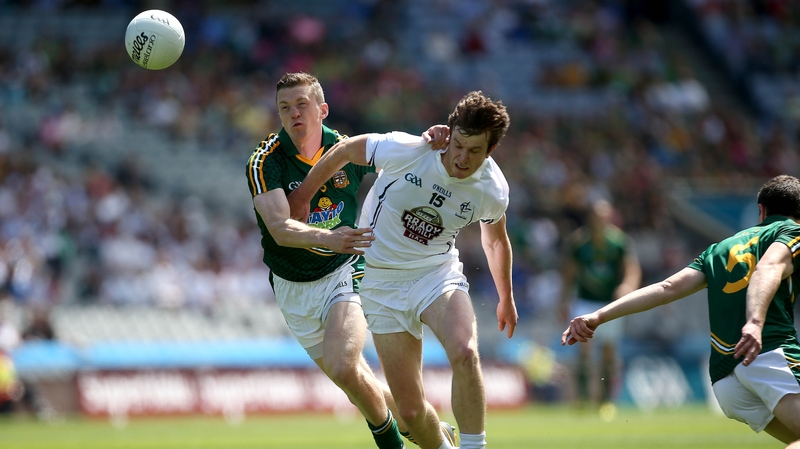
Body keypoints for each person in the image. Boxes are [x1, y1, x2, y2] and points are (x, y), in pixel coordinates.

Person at [288, 90, 518, 449]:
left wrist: (506, 296)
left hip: (436, 274)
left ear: (490, 151)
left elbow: (495, 241)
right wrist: (304, 195)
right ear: (450, 132)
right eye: (458, 145)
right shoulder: (410, 149)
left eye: (474, 152)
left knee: (465, 351)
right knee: (410, 413)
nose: (461, 157)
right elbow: (348, 150)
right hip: (380, 282)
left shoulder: (492, 188)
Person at [245, 72, 453, 449]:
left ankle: (396, 445)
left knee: (344, 366)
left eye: (302, 105)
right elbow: (279, 228)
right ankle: (439, 436)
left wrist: (431, 139)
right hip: (291, 286)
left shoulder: (346, 149)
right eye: (284, 108)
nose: (293, 114)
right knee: (357, 381)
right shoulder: (265, 161)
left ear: (322, 109)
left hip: (346, 270)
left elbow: (403, 152)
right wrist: (331, 237)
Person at [562, 174, 800, 444]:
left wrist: (598, 316)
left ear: (761, 211)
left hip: (725, 377)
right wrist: (755, 322)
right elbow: (767, 268)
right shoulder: (792, 232)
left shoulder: (721, 248)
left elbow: (667, 287)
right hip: (765, 352)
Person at [557, 199, 641, 410]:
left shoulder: (619, 242)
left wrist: (627, 287)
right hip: (585, 301)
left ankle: (605, 401)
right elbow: (569, 274)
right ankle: (583, 399)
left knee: (608, 352)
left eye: (603, 216)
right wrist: (564, 300)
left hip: (609, 303)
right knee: (583, 349)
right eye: (595, 216)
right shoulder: (579, 242)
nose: (599, 220)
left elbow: (632, 269)